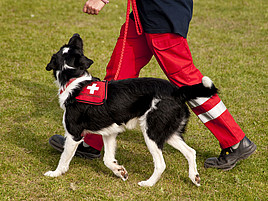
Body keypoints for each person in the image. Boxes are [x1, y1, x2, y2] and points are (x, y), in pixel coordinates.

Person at [49, 0, 256, 170]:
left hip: (162, 11)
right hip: (142, 12)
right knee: (118, 74)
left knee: (187, 80)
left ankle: (235, 141)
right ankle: (91, 141)